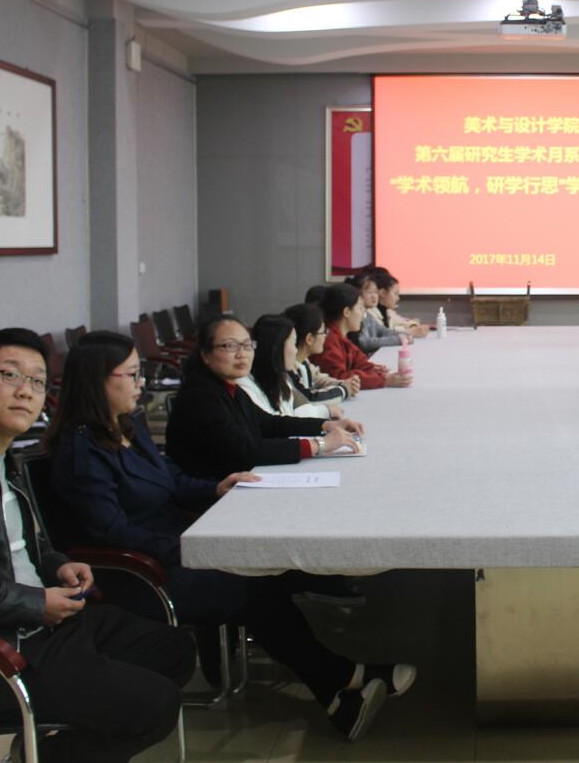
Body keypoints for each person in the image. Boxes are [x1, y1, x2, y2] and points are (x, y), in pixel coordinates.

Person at [47, 332, 413, 742]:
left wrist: (215, 487)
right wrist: (193, 546)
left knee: (266, 575)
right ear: (97, 381)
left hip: (178, 546)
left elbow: (170, 479)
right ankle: (341, 681)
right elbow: (114, 534)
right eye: (132, 375)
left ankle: (341, 681)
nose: (141, 384)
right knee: (252, 585)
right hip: (143, 573)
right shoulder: (82, 454)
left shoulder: (126, 426)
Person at [0, 328, 194, 762]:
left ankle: (64, 741)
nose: (26, 392)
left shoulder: (0, 456)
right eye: (11, 375)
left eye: (37, 381)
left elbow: (18, 544)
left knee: (175, 650)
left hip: (37, 625)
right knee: (155, 705)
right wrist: (35, 603)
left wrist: (57, 565)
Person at [166, 315, 365, 480]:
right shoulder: (200, 395)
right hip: (212, 496)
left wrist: (325, 425)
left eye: (247, 345)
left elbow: (269, 423)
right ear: (205, 355)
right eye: (230, 346)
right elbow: (244, 450)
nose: (242, 354)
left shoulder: (228, 387)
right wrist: (319, 445)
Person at [238, 313, 343, 419]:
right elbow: (275, 424)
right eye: (293, 343)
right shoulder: (246, 387)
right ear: (277, 347)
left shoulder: (282, 379)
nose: (296, 350)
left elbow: (301, 408)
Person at [314, 283, 412, 390]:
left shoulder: (340, 337)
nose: (363, 314)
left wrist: (374, 369)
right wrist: (383, 380)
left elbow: (359, 361)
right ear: (347, 312)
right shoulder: (328, 340)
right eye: (360, 308)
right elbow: (339, 378)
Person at [283, 302, 360, 402]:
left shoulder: (303, 361)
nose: (326, 336)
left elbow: (318, 379)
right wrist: (344, 390)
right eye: (323, 331)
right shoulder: (289, 370)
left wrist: (344, 384)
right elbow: (309, 399)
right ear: (309, 339)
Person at [348, 272, 405, 355]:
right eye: (369, 292)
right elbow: (364, 343)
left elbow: (383, 331)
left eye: (375, 292)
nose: (374, 296)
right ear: (357, 293)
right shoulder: (356, 315)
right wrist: (399, 340)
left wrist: (404, 336)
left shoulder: (367, 314)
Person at [371, 267, 429, 337]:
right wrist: (409, 331)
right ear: (382, 292)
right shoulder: (370, 313)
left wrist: (412, 325)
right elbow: (382, 334)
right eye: (395, 294)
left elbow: (400, 322)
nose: (398, 298)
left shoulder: (386, 311)